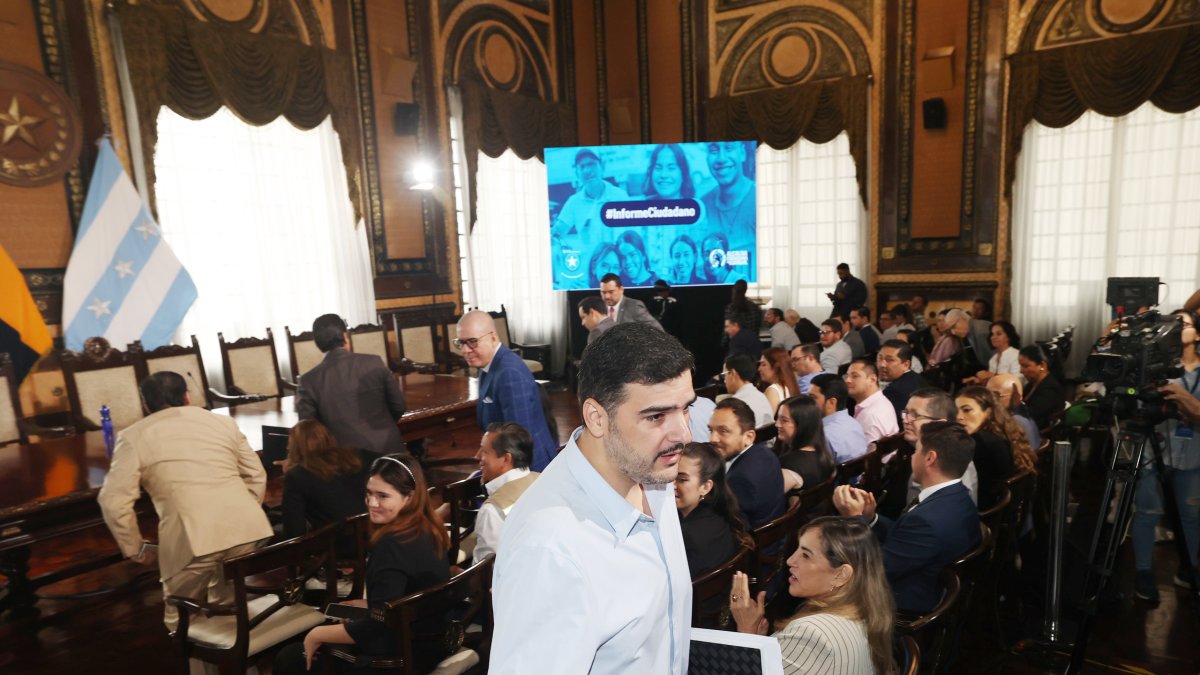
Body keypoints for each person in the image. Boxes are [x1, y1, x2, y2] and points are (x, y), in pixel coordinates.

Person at [490, 323, 694, 673]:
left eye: (686, 408)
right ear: (597, 418)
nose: (684, 434)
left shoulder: (652, 473)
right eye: (656, 416)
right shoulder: (549, 550)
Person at [98, 371, 273, 633]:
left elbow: (112, 501)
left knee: (180, 616)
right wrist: (242, 510)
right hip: (248, 530)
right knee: (229, 599)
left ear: (145, 404)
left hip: (193, 539)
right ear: (187, 397)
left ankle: (209, 654)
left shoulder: (133, 436)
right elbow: (256, 475)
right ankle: (240, 651)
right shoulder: (222, 423)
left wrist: (135, 548)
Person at [274, 454, 451, 674]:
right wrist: (371, 605)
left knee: (290, 657)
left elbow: (377, 627)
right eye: (369, 493)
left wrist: (317, 634)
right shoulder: (429, 528)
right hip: (430, 642)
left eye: (383, 496)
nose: (372, 503)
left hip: (401, 658)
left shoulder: (391, 544)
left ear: (409, 497)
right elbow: (407, 593)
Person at [833, 421, 982, 614]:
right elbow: (905, 538)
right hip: (921, 583)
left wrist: (854, 519)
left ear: (930, 458)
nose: (912, 456)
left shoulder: (927, 522)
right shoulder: (960, 497)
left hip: (899, 606)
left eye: (916, 450)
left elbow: (874, 569)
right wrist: (870, 518)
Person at [730, 517, 897, 675]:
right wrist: (759, 642)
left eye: (806, 555)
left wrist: (746, 631)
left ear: (840, 575)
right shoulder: (863, 611)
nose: (790, 561)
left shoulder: (811, 634)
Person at [1133, 308, 1200, 600]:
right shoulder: (1155, 369)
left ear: (1197, 334)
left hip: (1193, 454)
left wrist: (1185, 402)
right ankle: (1143, 572)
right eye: (1172, 323)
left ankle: (1189, 568)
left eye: (1184, 323)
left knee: (1191, 515)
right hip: (1155, 449)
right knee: (1147, 512)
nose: (1177, 327)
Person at [457, 311, 557, 472]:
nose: (465, 350)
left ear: (493, 337)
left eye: (472, 342)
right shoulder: (487, 364)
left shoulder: (509, 373)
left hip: (530, 470)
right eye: (461, 343)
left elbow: (518, 442)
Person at [297, 313, 406, 456]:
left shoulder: (308, 381)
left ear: (317, 344)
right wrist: (383, 425)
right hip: (389, 451)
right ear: (345, 336)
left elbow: (309, 431)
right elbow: (399, 406)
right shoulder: (374, 362)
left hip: (343, 458)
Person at [281, 420, 370, 557]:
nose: (287, 448)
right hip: (372, 538)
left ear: (295, 448)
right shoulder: (355, 459)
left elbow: (294, 533)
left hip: (335, 548)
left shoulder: (296, 476)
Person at [675, 442, 752, 578]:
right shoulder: (720, 512)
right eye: (671, 476)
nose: (672, 485)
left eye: (682, 479)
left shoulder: (687, 536)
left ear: (705, 487)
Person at [468, 422, 539, 565]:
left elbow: (487, 570)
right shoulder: (544, 479)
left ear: (506, 459)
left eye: (484, 451)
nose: (477, 456)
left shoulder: (492, 510)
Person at [708, 398, 786, 529]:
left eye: (723, 431)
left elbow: (731, 528)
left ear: (749, 437)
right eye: (711, 430)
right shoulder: (766, 454)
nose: (712, 439)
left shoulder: (740, 479)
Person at [954, 386, 1022, 512]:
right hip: (999, 511)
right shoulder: (996, 435)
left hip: (984, 514)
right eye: (956, 411)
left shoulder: (981, 442)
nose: (959, 416)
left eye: (967, 410)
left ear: (988, 412)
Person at [552, 148, 628, 245]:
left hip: (614, 254)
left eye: (592, 164)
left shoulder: (619, 196)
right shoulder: (574, 202)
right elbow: (557, 234)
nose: (587, 170)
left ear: (602, 166)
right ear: (577, 174)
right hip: (589, 255)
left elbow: (632, 232)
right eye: (582, 166)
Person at [775, 395, 837, 493]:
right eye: (778, 418)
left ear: (802, 425)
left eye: (784, 420)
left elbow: (766, 498)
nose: (777, 424)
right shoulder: (823, 455)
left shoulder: (790, 466)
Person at [700, 141, 756, 247]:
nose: (721, 159)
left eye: (729, 148)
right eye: (714, 150)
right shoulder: (702, 206)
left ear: (742, 153)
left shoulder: (760, 199)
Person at [809, 374, 869, 464]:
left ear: (831, 402)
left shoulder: (823, 435)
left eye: (813, 397)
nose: (807, 402)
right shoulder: (854, 423)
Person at [845, 359, 899, 447]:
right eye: (847, 376)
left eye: (855, 376)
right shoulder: (879, 401)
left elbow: (866, 453)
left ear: (872, 379)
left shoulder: (871, 415)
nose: (848, 380)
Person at [877, 339, 925, 427]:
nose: (882, 364)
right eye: (880, 358)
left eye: (889, 360)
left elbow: (885, 424)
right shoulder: (915, 377)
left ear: (906, 364)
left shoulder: (894, 391)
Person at [1018, 344, 1066, 430]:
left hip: (1037, 432)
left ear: (1042, 366)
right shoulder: (1033, 383)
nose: (1021, 370)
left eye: (1025, 366)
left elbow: (1030, 415)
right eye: (1021, 366)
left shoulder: (1050, 389)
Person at [986, 373, 1042, 448]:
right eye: (987, 395)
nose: (990, 400)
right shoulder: (1023, 413)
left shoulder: (1016, 421)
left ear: (1016, 396)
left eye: (996, 395)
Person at [723, 353, 773, 427]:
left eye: (724, 375)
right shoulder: (762, 396)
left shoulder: (734, 405)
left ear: (733, 373)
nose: (724, 380)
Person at [965, 320, 1021, 385]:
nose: (994, 337)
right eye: (992, 334)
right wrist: (978, 381)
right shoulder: (993, 359)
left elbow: (1017, 381)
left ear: (1008, 337)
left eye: (998, 334)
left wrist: (991, 375)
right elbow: (991, 383)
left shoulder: (1016, 355)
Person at [758, 347, 798, 414]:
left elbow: (767, 419)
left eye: (764, 365)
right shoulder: (790, 386)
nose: (759, 369)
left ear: (776, 367)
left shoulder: (773, 390)